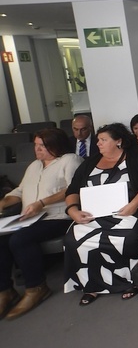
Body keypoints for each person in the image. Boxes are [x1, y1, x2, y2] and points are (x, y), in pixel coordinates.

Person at [64, 123, 138, 306]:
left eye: (103, 140)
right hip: (94, 215)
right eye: (98, 140)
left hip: (130, 211)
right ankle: (91, 285)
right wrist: (73, 211)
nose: (98, 144)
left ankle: (129, 281)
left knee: (128, 236)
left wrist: (134, 204)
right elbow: (72, 189)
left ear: (119, 141)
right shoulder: (90, 162)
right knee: (74, 239)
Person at [0, 129, 83, 319]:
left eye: (43, 146)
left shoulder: (69, 160)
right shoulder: (34, 166)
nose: (38, 150)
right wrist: (4, 202)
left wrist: (42, 203)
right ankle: (5, 291)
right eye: (36, 145)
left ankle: (36, 287)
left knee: (20, 240)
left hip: (58, 217)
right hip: (28, 219)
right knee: (1, 240)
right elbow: (20, 191)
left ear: (57, 145)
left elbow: (73, 187)